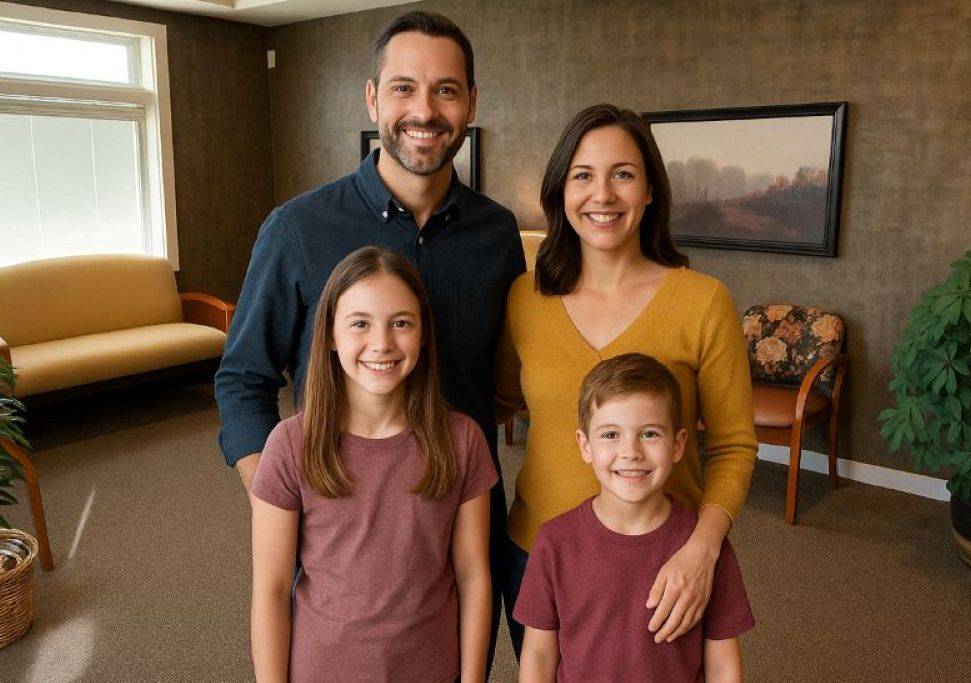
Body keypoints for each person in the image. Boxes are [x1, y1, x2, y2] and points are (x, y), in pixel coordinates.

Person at [216, 10, 524, 666]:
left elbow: (502, 376)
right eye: (404, 87)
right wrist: (282, 494)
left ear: (471, 102)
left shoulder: (498, 235)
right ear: (372, 97)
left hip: (461, 519)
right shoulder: (297, 229)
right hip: (340, 543)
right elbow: (242, 379)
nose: (425, 109)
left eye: (446, 89)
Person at [495, 104, 758, 656]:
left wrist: (703, 550)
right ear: (560, 193)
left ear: (650, 192)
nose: (603, 195)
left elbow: (734, 446)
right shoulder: (525, 300)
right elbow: (495, 402)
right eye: (583, 175)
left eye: (623, 174)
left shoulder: (703, 302)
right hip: (540, 556)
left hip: (666, 566)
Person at [250, 247, 495, 682]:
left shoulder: (462, 440)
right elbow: (270, 591)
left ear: (423, 334)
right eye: (360, 323)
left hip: (431, 670)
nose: (382, 343)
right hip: (322, 670)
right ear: (329, 334)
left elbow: (473, 576)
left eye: (401, 323)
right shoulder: (289, 445)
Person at [514, 353, 754, 682]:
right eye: (611, 434)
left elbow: (723, 665)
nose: (631, 452)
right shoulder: (554, 542)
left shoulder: (705, 550)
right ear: (585, 446)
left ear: (678, 445)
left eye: (650, 434)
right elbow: (538, 656)